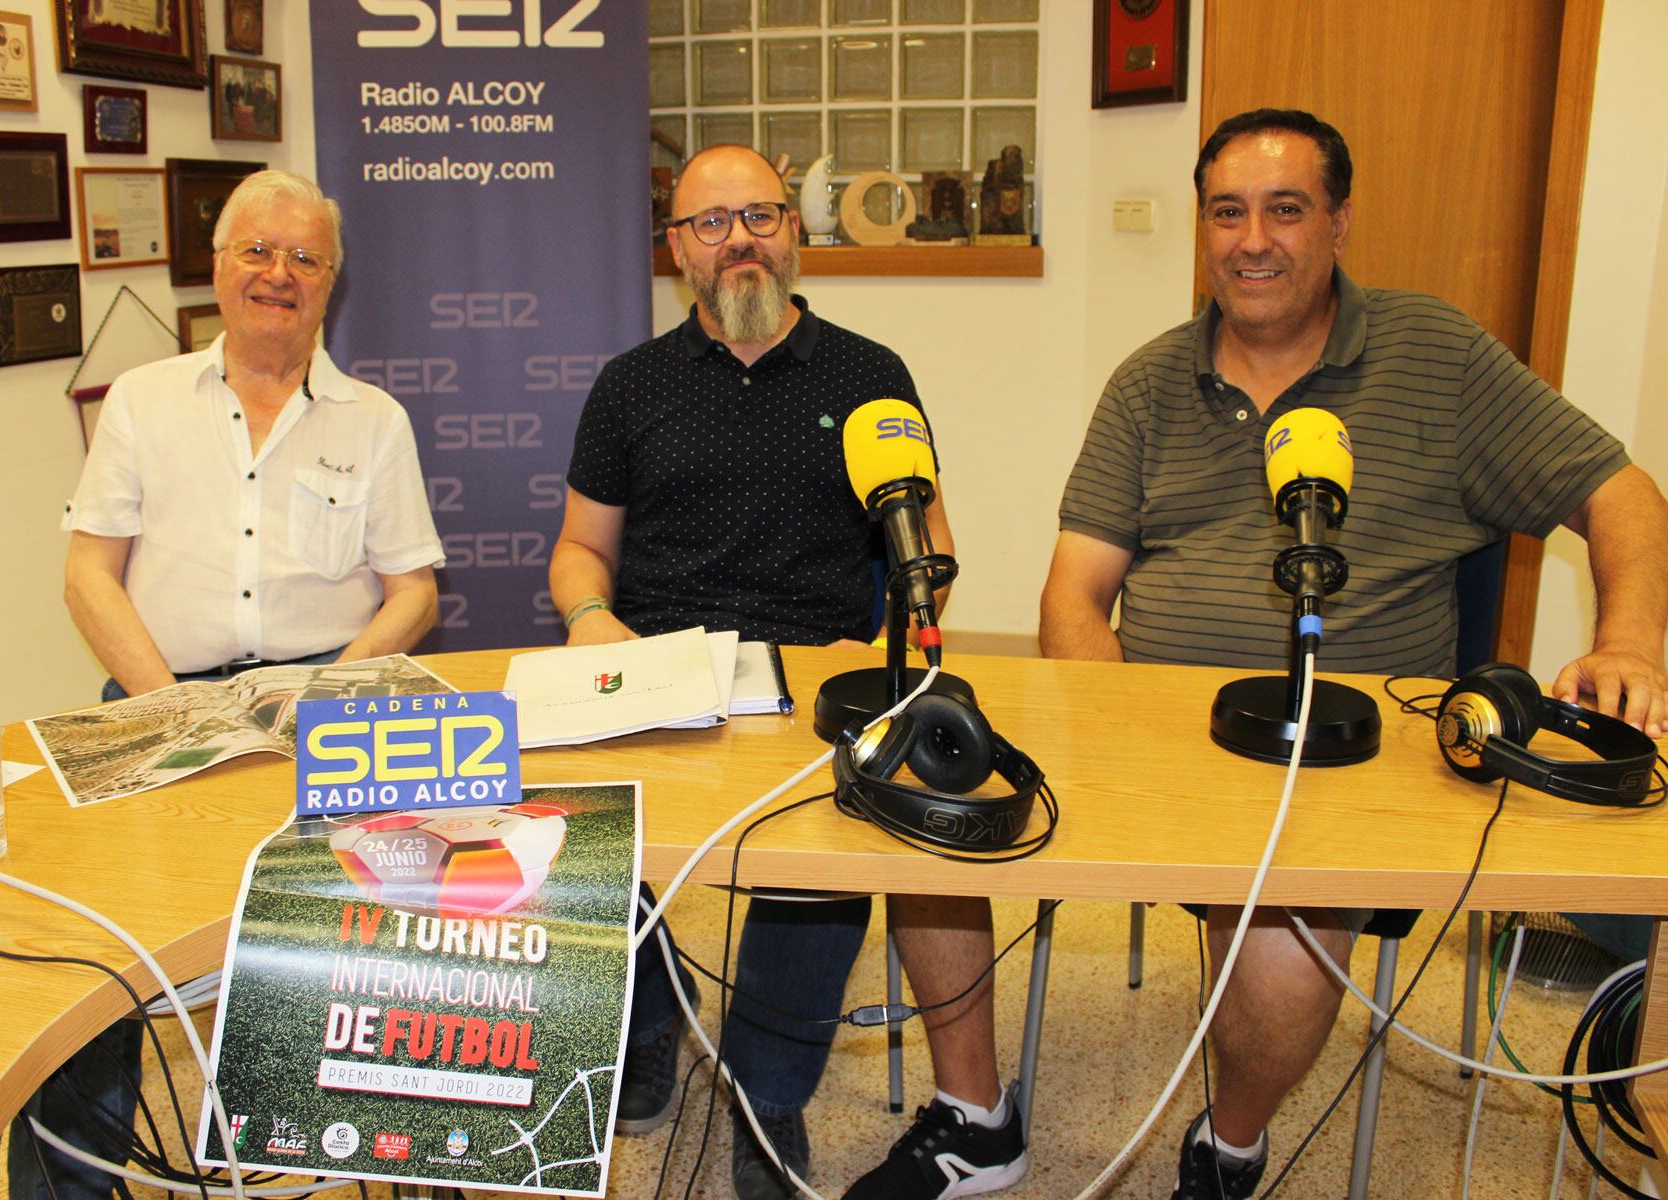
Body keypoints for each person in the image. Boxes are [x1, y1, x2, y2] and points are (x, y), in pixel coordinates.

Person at [860, 108, 1668, 1200]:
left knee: (1284, 938)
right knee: (927, 809)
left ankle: (1228, 1145)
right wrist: (1115, 738)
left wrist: (1629, 644)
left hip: (1351, 763)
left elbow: (1623, 494)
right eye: (1226, 212)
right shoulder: (1149, 382)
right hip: (1162, 743)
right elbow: (1075, 594)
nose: (1252, 240)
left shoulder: (1439, 358)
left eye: (1285, 209)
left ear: (1339, 223)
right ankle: (976, 1119)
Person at [548, 143, 956, 1200]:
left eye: (760, 216)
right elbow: (581, 549)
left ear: (794, 231)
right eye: (710, 222)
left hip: (814, 674)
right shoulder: (630, 385)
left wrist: (883, 649)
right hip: (656, 668)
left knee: (824, 853)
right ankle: (649, 1019)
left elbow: (928, 553)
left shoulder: (870, 375)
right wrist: (591, 617)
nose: (739, 239)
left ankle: (766, 1092)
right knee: (565, 825)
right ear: (677, 249)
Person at [30, 169, 444, 1199]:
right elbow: (88, 576)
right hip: (155, 696)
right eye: (257, 250)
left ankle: (340, 1141)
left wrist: (323, 700)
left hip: (327, 707)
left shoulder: (375, 421)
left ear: (332, 282)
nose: (278, 274)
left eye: (305, 257)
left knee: (390, 928)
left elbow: (413, 594)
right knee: (94, 949)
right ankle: (78, 1177)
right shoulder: (141, 400)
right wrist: (181, 708)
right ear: (218, 267)